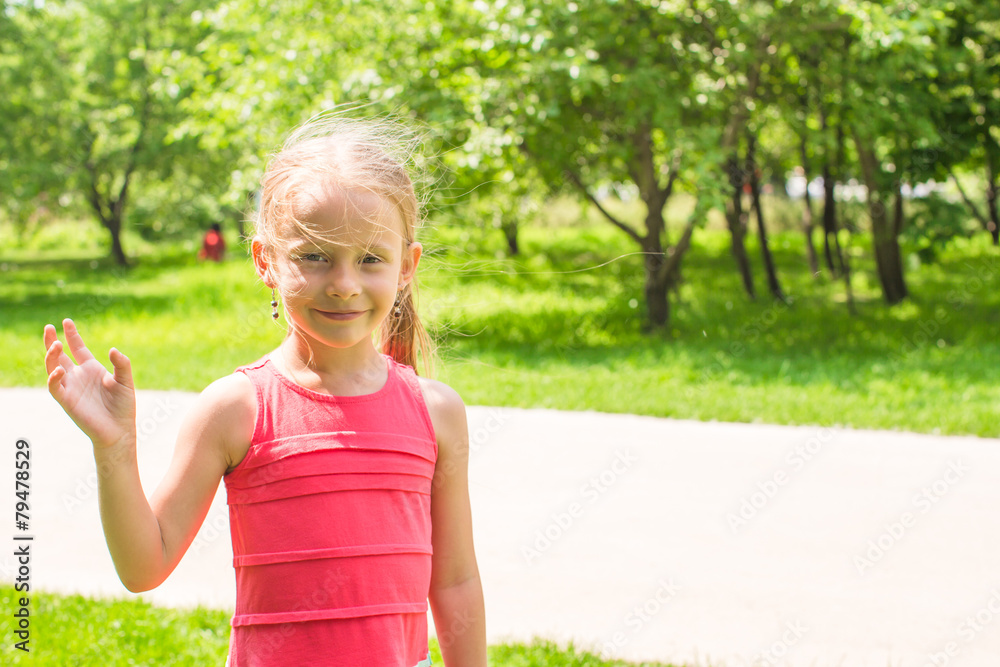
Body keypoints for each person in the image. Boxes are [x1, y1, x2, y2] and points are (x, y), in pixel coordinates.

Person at [43, 114, 487, 666]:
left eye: (370, 258)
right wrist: (114, 450)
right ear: (265, 261)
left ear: (406, 267)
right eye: (314, 255)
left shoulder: (436, 413)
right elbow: (144, 566)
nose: (344, 283)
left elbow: (456, 581)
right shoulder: (236, 410)